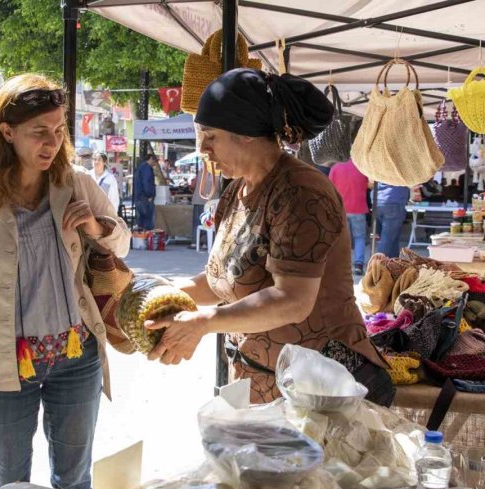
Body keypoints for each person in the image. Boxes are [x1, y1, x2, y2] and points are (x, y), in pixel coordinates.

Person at [145, 68, 393, 406]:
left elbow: (292, 299)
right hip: (258, 383)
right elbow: (223, 282)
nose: (202, 148)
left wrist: (204, 322)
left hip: (318, 392)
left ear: (245, 133)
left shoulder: (302, 192)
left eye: (211, 135)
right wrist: (157, 295)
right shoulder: (236, 191)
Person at [0, 73, 131, 489]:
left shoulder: (75, 182)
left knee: (74, 483)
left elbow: (123, 242)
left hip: (76, 355)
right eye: (39, 131)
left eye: (59, 130)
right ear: (7, 131)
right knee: (8, 488)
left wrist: (95, 226)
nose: (52, 143)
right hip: (5, 363)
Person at [328, 159, 370, 275]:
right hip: (358, 208)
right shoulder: (361, 166)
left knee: (341, 238)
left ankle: (341, 264)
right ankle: (358, 265)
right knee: (359, 237)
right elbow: (370, 184)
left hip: (341, 209)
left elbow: (329, 188)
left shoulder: (335, 167)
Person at [374, 182, 410, 258]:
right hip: (394, 200)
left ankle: (394, 262)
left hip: (379, 200)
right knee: (388, 238)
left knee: (393, 237)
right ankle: (379, 262)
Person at [133, 153, 158, 230]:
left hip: (140, 197)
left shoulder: (141, 167)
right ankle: (145, 236)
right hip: (145, 198)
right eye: (155, 160)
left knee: (141, 222)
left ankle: (141, 236)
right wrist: (149, 195)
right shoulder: (146, 169)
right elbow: (147, 183)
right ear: (151, 158)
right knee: (147, 223)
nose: (155, 163)